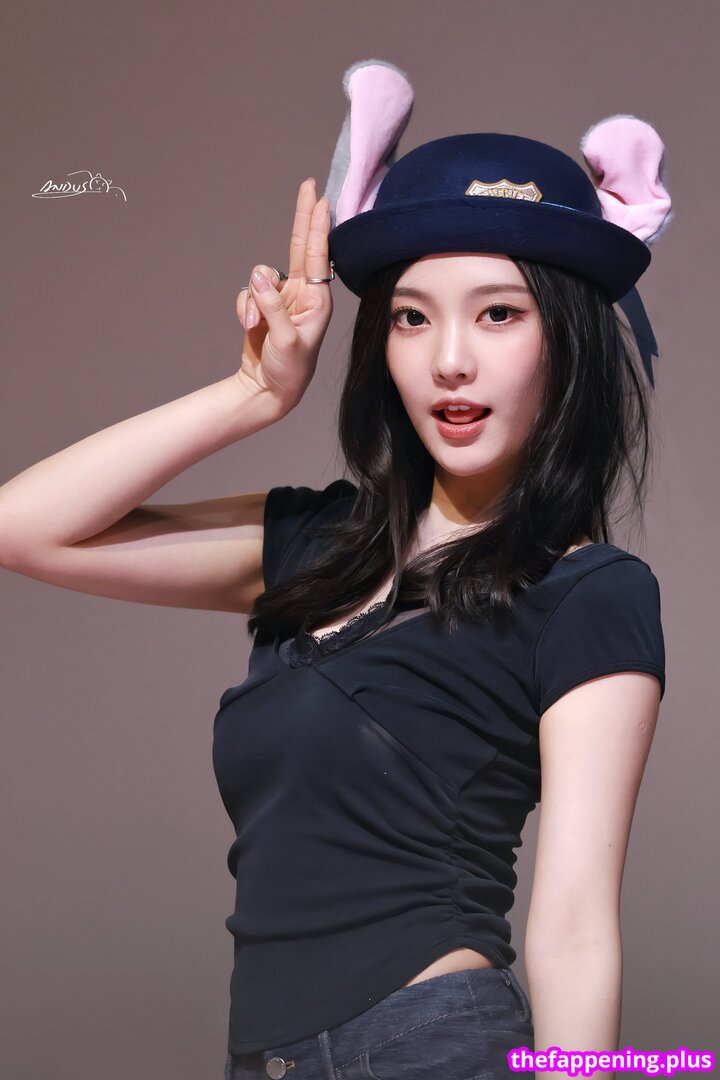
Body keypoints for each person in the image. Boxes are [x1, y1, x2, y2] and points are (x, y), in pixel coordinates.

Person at [0, 58, 671, 1080]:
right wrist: (251, 395)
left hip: (432, 1045)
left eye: (499, 313)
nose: (449, 358)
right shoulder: (317, 544)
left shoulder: (590, 594)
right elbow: (22, 529)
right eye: (412, 316)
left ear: (565, 341)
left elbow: (576, 923)